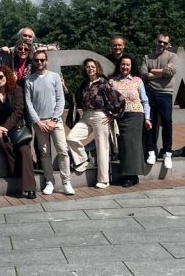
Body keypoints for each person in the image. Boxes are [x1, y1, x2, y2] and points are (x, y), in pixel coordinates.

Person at [0, 64, 39, 199]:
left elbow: (18, 111)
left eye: (1, 77)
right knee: (1, 143)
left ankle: (30, 188)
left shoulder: (16, 90)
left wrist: (5, 127)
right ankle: (18, 171)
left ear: (7, 77)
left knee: (24, 150)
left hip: (16, 128)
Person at [25, 49, 73, 195]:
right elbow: (29, 103)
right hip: (40, 123)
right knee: (44, 153)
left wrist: (54, 119)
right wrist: (37, 122)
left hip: (55, 121)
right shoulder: (29, 80)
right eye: (36, 60)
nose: (39, 62)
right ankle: (49, 182)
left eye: (42, 60)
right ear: (33, 62)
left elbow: (60, 99)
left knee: (63, 150)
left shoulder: (54, 77)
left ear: (46, 60)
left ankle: (66, 182)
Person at [66, 58, 119, 189]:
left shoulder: (103, 83)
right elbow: (76, 98)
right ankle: (84, 160)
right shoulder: (84, 84)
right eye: (88, 67)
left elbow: (118, 100)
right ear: (85, 69)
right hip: (86, 116)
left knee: (102, 147)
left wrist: (112, 116)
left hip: (100, 116)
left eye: (93, 66)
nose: (90, 69)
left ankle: (104, 180)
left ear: (97, 68)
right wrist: (65, 89)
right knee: (71, 138)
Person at [108, 55, 151, 187]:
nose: (125, 67)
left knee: (133, 145)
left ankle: (130, 176)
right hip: (119, 116)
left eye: (128, 65)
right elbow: (109, 100)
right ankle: (131, 175)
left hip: (136, 115)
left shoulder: (137, 80)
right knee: (122, 146)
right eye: (123, 64)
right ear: (119, 65)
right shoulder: (112, 81)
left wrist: (147, 118)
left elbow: (145, 101)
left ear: (131, 66)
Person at [140, 33, 180, 169]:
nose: (161, 44)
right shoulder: (147, 57)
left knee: (167, 122)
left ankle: (167, 153)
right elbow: (143, 74)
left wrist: (152, 70)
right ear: (155, 41)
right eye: (159, 41)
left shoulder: (172, 56)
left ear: (168, 44)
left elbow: (171, 72)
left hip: (165, 94)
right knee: (149, 122)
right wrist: (162, 71)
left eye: (164, 43)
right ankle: (151, 152)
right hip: (150, 94)